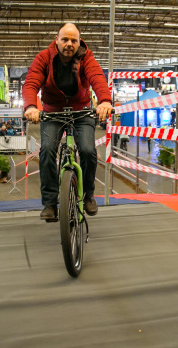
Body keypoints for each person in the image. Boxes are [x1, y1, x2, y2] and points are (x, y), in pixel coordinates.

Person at [22, 22, 113, 220]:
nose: (69, 44)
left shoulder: (86, 57)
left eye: (73, 40)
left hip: (81, 112)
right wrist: (30, 106)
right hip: (53, 113)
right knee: (47, 151)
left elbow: (97, 77)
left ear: (79, 41)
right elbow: (31, 83)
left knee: (88, 151)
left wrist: (104, 101)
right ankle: (49, 204)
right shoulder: (44, 58)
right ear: (57, 41)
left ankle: (88, 195)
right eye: (65, 39)